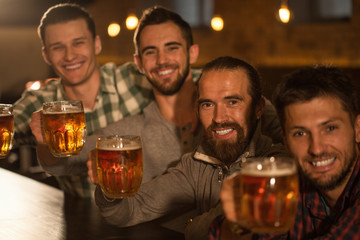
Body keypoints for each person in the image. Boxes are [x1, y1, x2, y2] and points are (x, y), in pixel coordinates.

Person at [33, 6, 281, 198]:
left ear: (192, 53)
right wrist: (45, 143)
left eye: (172, 48)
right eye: (150, 51)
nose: (162, 60)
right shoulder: (128, 133)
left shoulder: (240, 107)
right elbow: (64, 163)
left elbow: (291, 137)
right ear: (139, 63)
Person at [87, 56, 287, 240]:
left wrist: (193, 225)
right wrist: (110, 189)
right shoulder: (196, 165)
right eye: (208, 105)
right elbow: (127, 212)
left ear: (259, 108)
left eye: (232, 102)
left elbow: (203, 231)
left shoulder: (278, 164)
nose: (218, 118)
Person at [12, 3, 154, 198]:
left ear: (97, 44)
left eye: (78, 43)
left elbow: (195, 82)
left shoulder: (132, 80)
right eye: (57, 47)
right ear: (46, 55)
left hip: (146, 214)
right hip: (83, 222)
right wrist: (44, 143)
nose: (70, 56)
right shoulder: (41, 101)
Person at [210, 65, 360, 239]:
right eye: (300, 133)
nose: (317, 149)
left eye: (330, 128)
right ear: (286, 141)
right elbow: (218, 233)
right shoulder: (289, 187)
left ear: (357, 129)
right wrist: (238, 224)